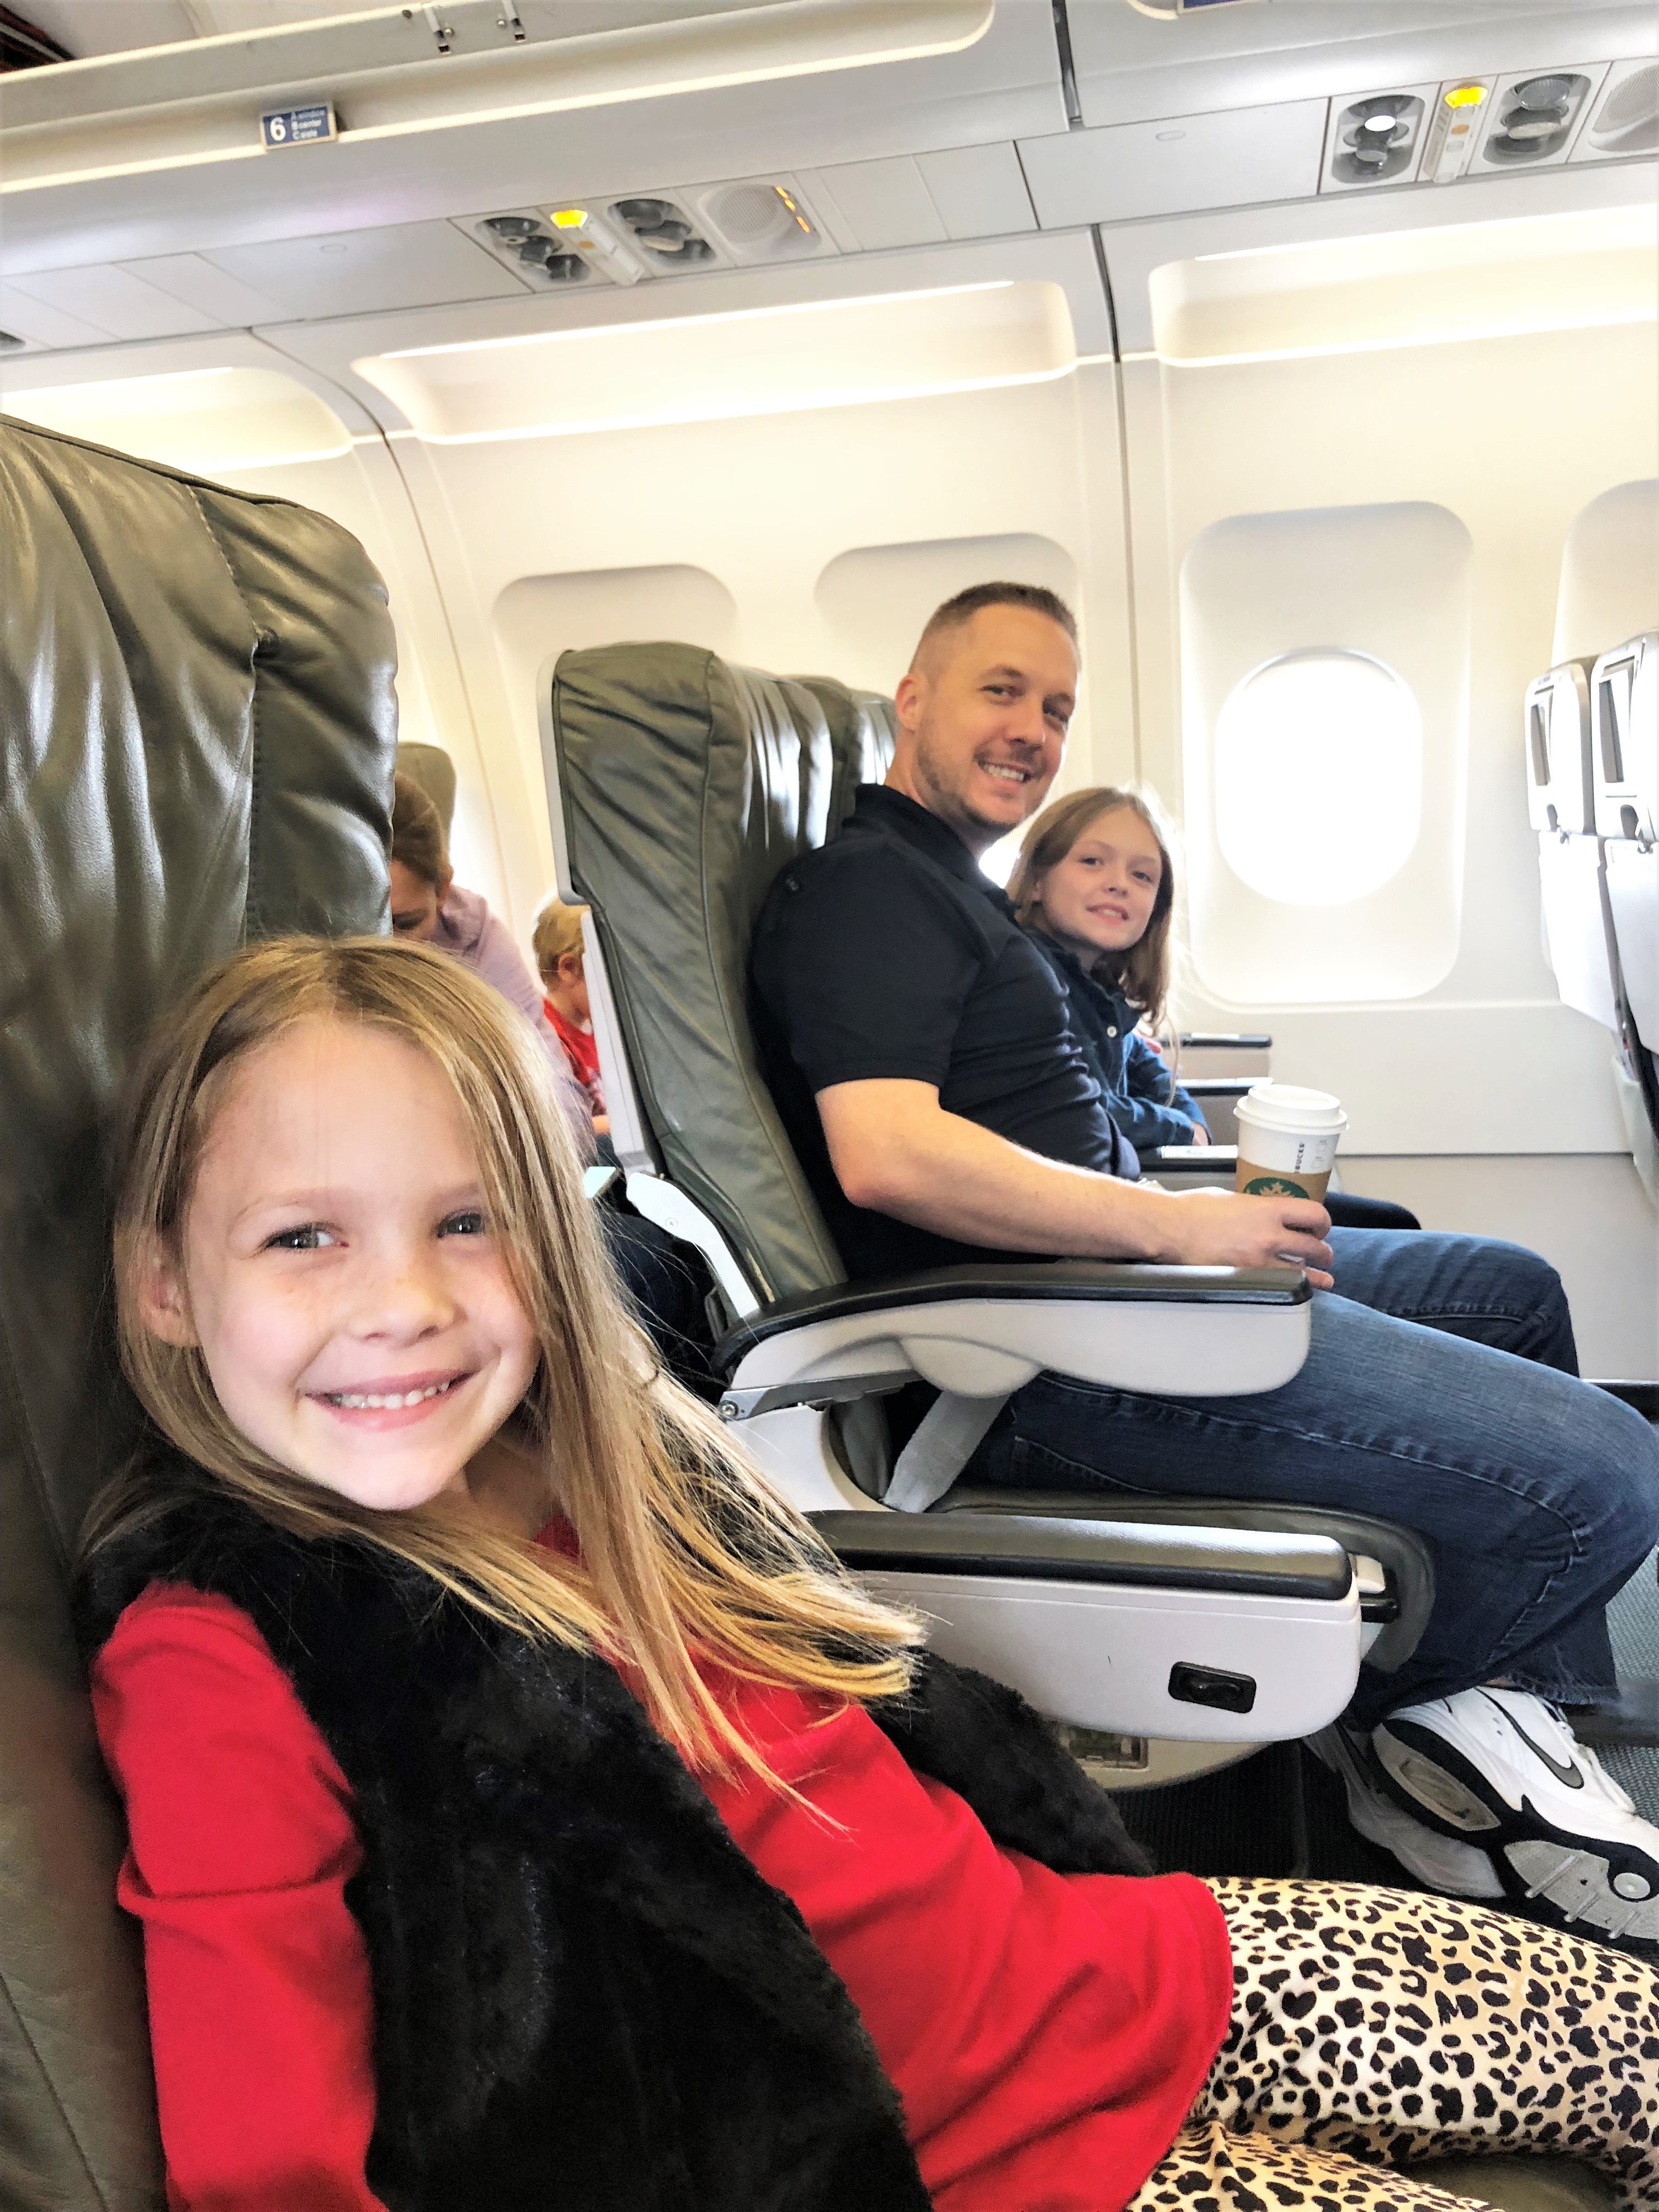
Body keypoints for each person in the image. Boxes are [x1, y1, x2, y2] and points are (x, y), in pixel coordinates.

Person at [78, 936, 1659, 2209]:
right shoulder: (233, 1655)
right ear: (164, 1285)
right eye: (303, 1239)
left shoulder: (605, 1463)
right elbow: (267, 2165)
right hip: (979, 2168)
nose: (406, 1304)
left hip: (1121, 1970)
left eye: (467, 1223)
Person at [749, 580, 1659, 1936]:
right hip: (1050, 1360)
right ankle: (1422, 1753)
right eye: (1001, 690)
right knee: (1611, 1475)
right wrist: (1182, 1227)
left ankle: (1514, 1715)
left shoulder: (959, 891)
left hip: (1131, 1294)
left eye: (1057, 707)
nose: (1033, 730)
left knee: (1509, 1290)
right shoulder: (868, 888)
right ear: (915, 699)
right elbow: (887, 1152)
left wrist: (1182, 1218)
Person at [1009, 785, 1421, 1228]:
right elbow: (1091, 1111)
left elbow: (1156, 1078)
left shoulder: (1100, 989)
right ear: (1036, 881)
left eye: (1142, 876)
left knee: (1389, 1221)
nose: (1119, 883)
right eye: (1092, 861)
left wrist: (1189, 1122)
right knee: (1388, 1225)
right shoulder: (1034, 985)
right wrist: (1180, 1129)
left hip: (1134, 1191)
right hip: (1099, 1212)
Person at [388, 771, 591, 1152]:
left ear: (443, 890)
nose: (385, 947)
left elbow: (554, 1091)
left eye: (405, 924)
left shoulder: (477, 937)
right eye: (367, 925)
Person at [532, 896, 608, 1135]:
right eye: (608, 975)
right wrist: (623, 1124)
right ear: (569, 969)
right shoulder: (548, 1037)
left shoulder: (596, 1028)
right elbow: (560, 1128)